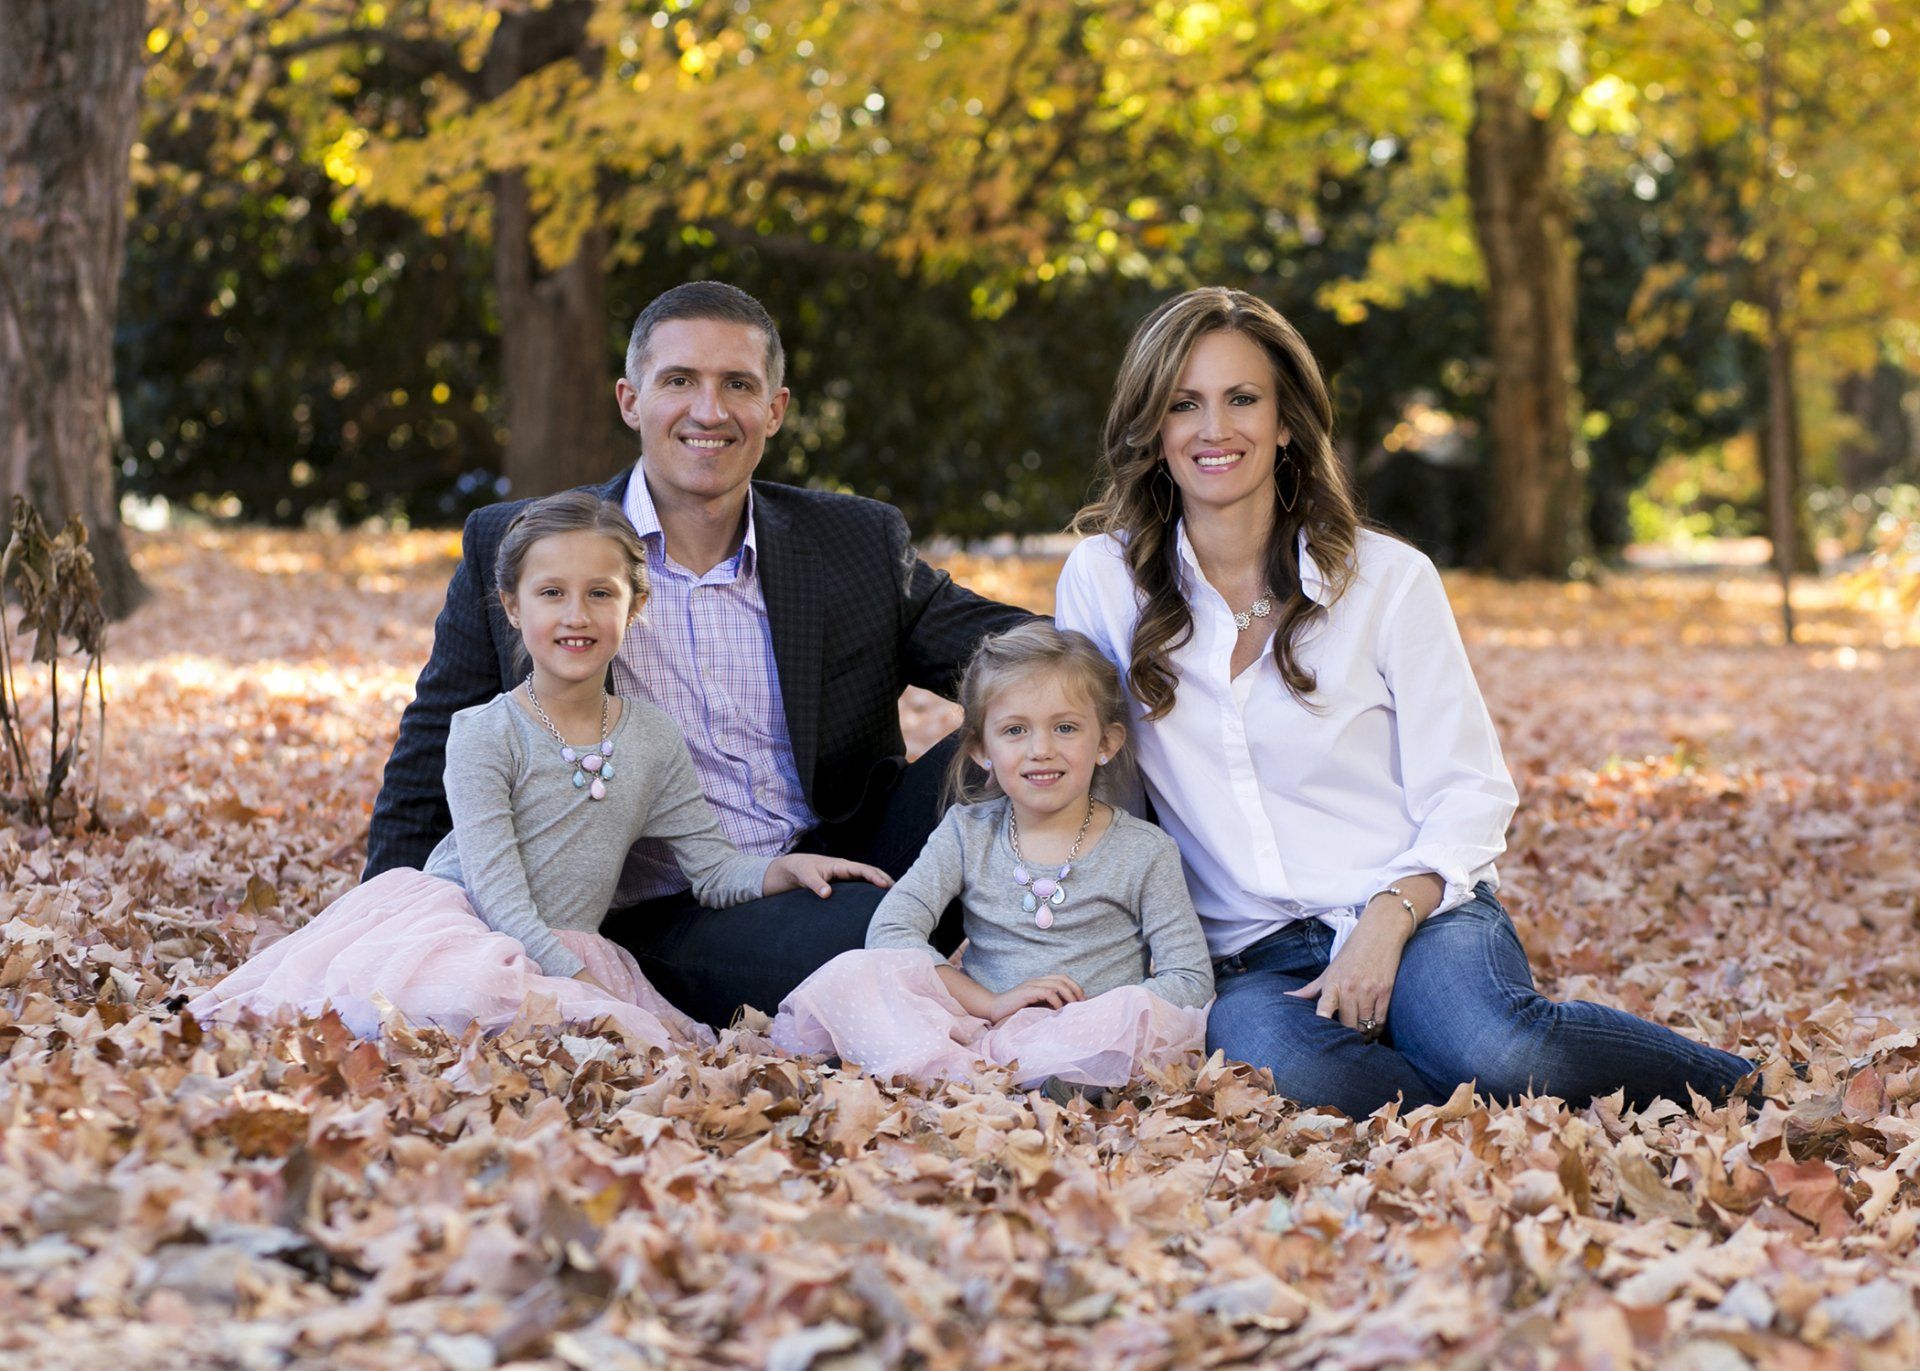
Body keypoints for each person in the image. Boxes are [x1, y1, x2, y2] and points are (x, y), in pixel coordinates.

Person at [1053, 286, 1756, 1117]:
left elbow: (1470, 789)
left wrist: (1387, 922)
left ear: (1285, 423)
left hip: (1416, 910)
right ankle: (1481, 1105)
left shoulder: (1385, 580)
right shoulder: (1105, 583)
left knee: (1497, 1045)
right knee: (1284, 1064)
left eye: (1243, 398)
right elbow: (1099, 788)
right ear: (1154, 427)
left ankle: (1734, 1084)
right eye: (1185, 404)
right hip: (1250, 959)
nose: (1215, 429)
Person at [365, 282, 1031, 1029]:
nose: (709, 411)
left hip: (848, 854)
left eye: (737, 385)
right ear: (631, 399)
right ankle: (910, 946)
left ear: (774, 409)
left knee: (1047, 719)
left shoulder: (852, 541)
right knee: (868, 936)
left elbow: (1016, 651)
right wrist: (388, 934)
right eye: (679, 381)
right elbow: (430, 756)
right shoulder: (534, 551)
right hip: (667, 914)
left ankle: (1092, 938)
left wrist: (1156, 633)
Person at [192, 492, 888, 1048]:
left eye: (600, 593)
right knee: (472, 1000)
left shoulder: (650, 737)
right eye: (551, 593)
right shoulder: (486, 733)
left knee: (610, 1033)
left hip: (568, 940)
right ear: (513, 606)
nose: (575, 616)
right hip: (467, 927)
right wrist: (577, 980)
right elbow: (496, 892)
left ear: (636, 605)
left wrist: (781, 871)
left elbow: (711, 868)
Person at [771, 623, 1213, 1089]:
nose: (1041, 750)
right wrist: (990, 1002)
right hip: (981, 1027)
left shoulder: (1145, 851)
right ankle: (964, 1073)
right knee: (858, 970)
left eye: (1065, 728)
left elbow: (1189, 977)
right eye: (1015, 730)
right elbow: (893, 929)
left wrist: (1097, 1014)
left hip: (1092, 1034)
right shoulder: (967, 832)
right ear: (983, 750)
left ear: (1105, 743)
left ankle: (1060, 1081)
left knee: (1140, 1010)